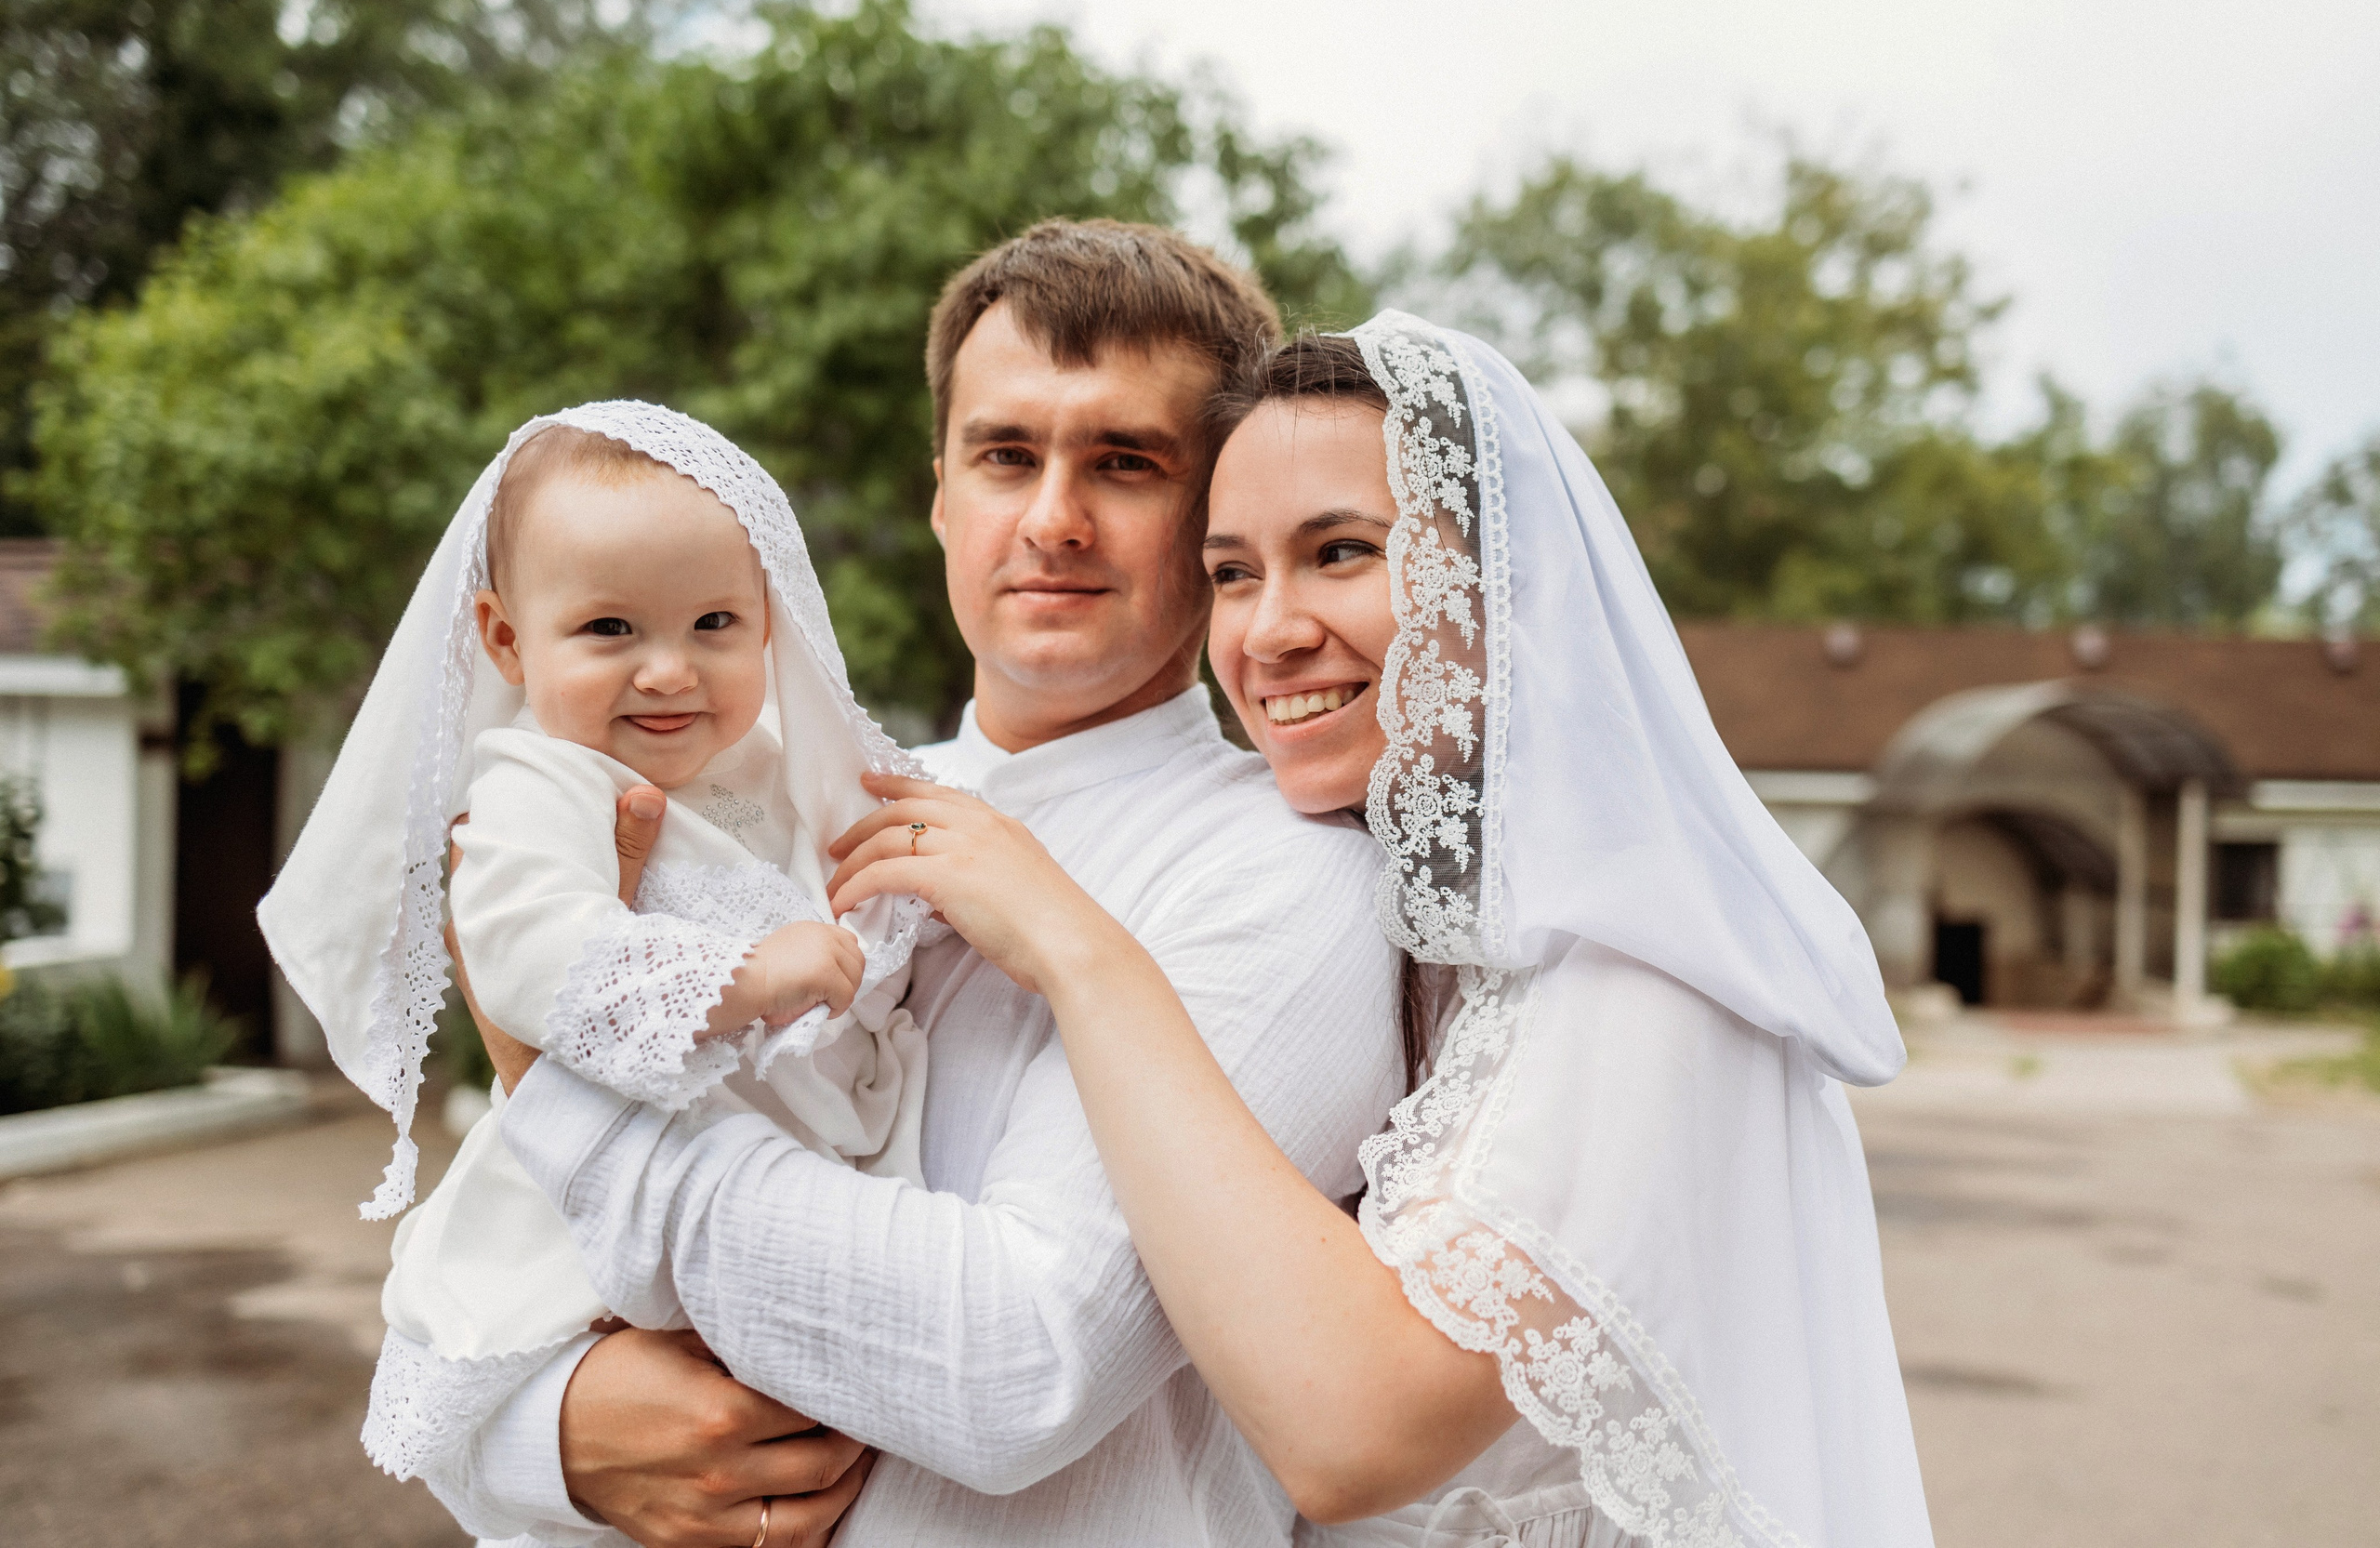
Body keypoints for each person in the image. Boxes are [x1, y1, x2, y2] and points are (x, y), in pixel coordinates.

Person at [824, 316, 1935, 1545]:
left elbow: (1352, 1430)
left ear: (1498, 582)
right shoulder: (1439, 946)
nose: (1267, 630)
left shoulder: (1647, 977)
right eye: (1235, 571)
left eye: (1341, 551)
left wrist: (1080, 955)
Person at [448, 220, 1408, 1546]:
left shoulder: (1289, 874)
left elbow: (1017, 1367)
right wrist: (555, 1435)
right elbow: (461, 1301)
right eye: (1007, 455)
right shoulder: (763, 805)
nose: (1053, 519)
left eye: (1125, 463)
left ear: (1209, 516)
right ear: (942, 492)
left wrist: (549, 1080)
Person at [257, 402, 934, 1517]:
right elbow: (525, 948)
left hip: (771, 1204)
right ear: (507, 638)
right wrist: (752, 979)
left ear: (771, 623)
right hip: (584, 1231)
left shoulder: (771, 770)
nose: (668, 671)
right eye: (611, 630)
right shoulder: (537, 781)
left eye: (715, 622)